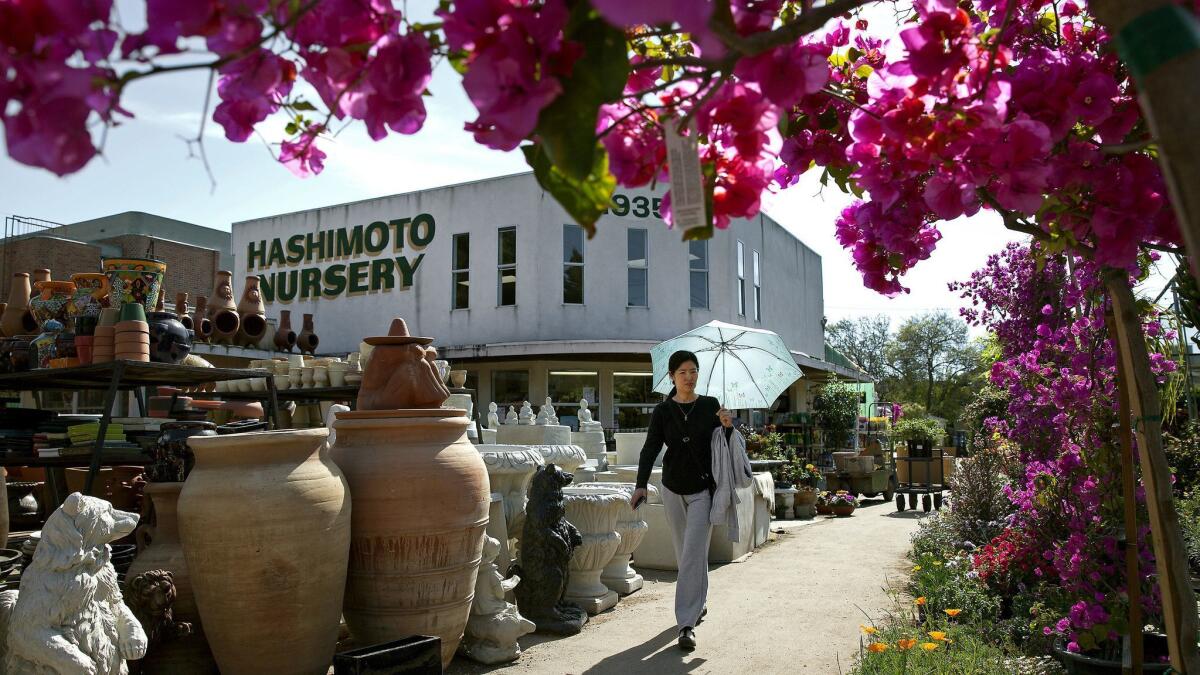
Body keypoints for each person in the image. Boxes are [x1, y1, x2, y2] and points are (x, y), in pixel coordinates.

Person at [630, 350, 733, 652]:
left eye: (693, 371)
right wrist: (640, 485)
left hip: (703, 490)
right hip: (672, 489)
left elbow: (722, 449)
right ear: (672, 376)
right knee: (686, 553)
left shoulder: (711, 406)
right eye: (683, 372)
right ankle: (697, 602)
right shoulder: (663, 412)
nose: (689, 377)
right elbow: (649, 449)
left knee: (691, 553)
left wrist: (727, 427)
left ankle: (685, 624)